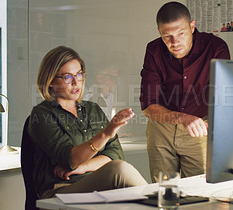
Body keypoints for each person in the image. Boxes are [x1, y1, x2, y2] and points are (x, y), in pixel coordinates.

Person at [29, 46, 147, 199]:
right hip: (60, 190)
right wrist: (106, 133)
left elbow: (115, 153)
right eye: (67, 77)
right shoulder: (42, 114)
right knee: (120, 171)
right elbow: (70, 160)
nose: (76, 82)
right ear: (50, 81)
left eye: (79, 74)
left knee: (124, 179)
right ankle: (163, 202)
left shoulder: (92, 109)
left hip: (98, 185)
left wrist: (84, 167)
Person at [140, 2, 230, 182]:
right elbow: (148, 106)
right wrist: (182, 118)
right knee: (163, 193)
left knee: (200, 193)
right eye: (167, 36)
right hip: (161, 129)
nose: (175, 43)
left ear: (192, 26)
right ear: (159, 31)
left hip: (199, 129)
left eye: (181, 33)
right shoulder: (153, 50)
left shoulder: (215, 47)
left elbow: (224, 100)